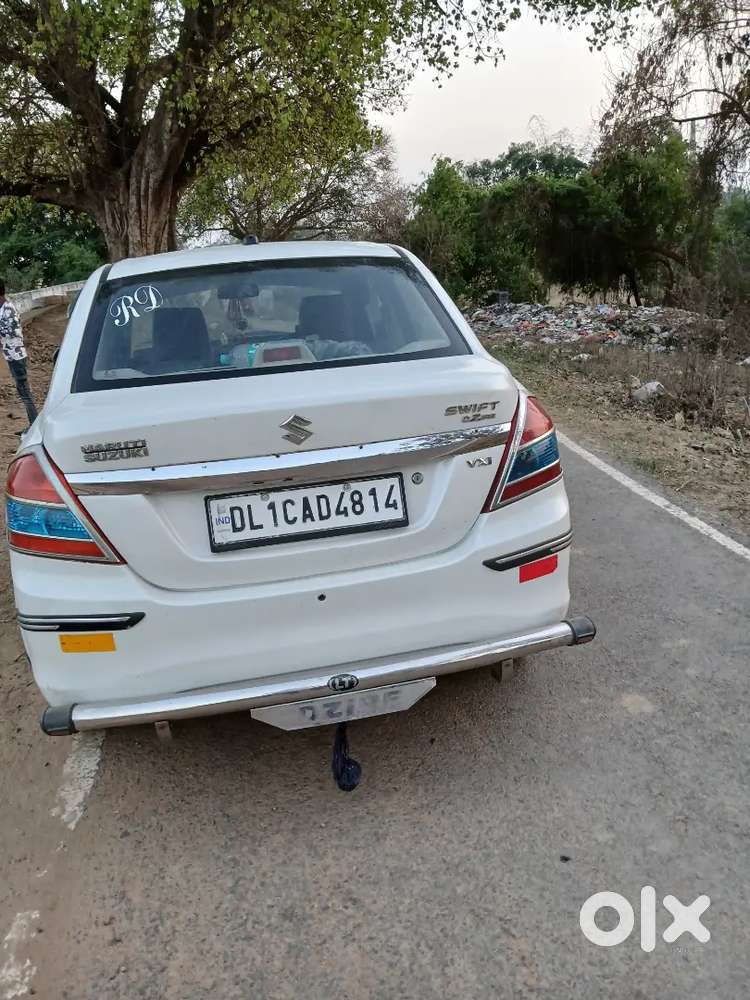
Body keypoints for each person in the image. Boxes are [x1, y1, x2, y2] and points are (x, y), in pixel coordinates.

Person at [0, 278, 39, 427]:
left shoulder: (8, 309)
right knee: (23, 392)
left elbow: (11, 333)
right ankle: (32, 425)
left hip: (16, 356)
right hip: (11, 355)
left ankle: (34, 426)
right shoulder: (3, 309)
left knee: (25, 393)